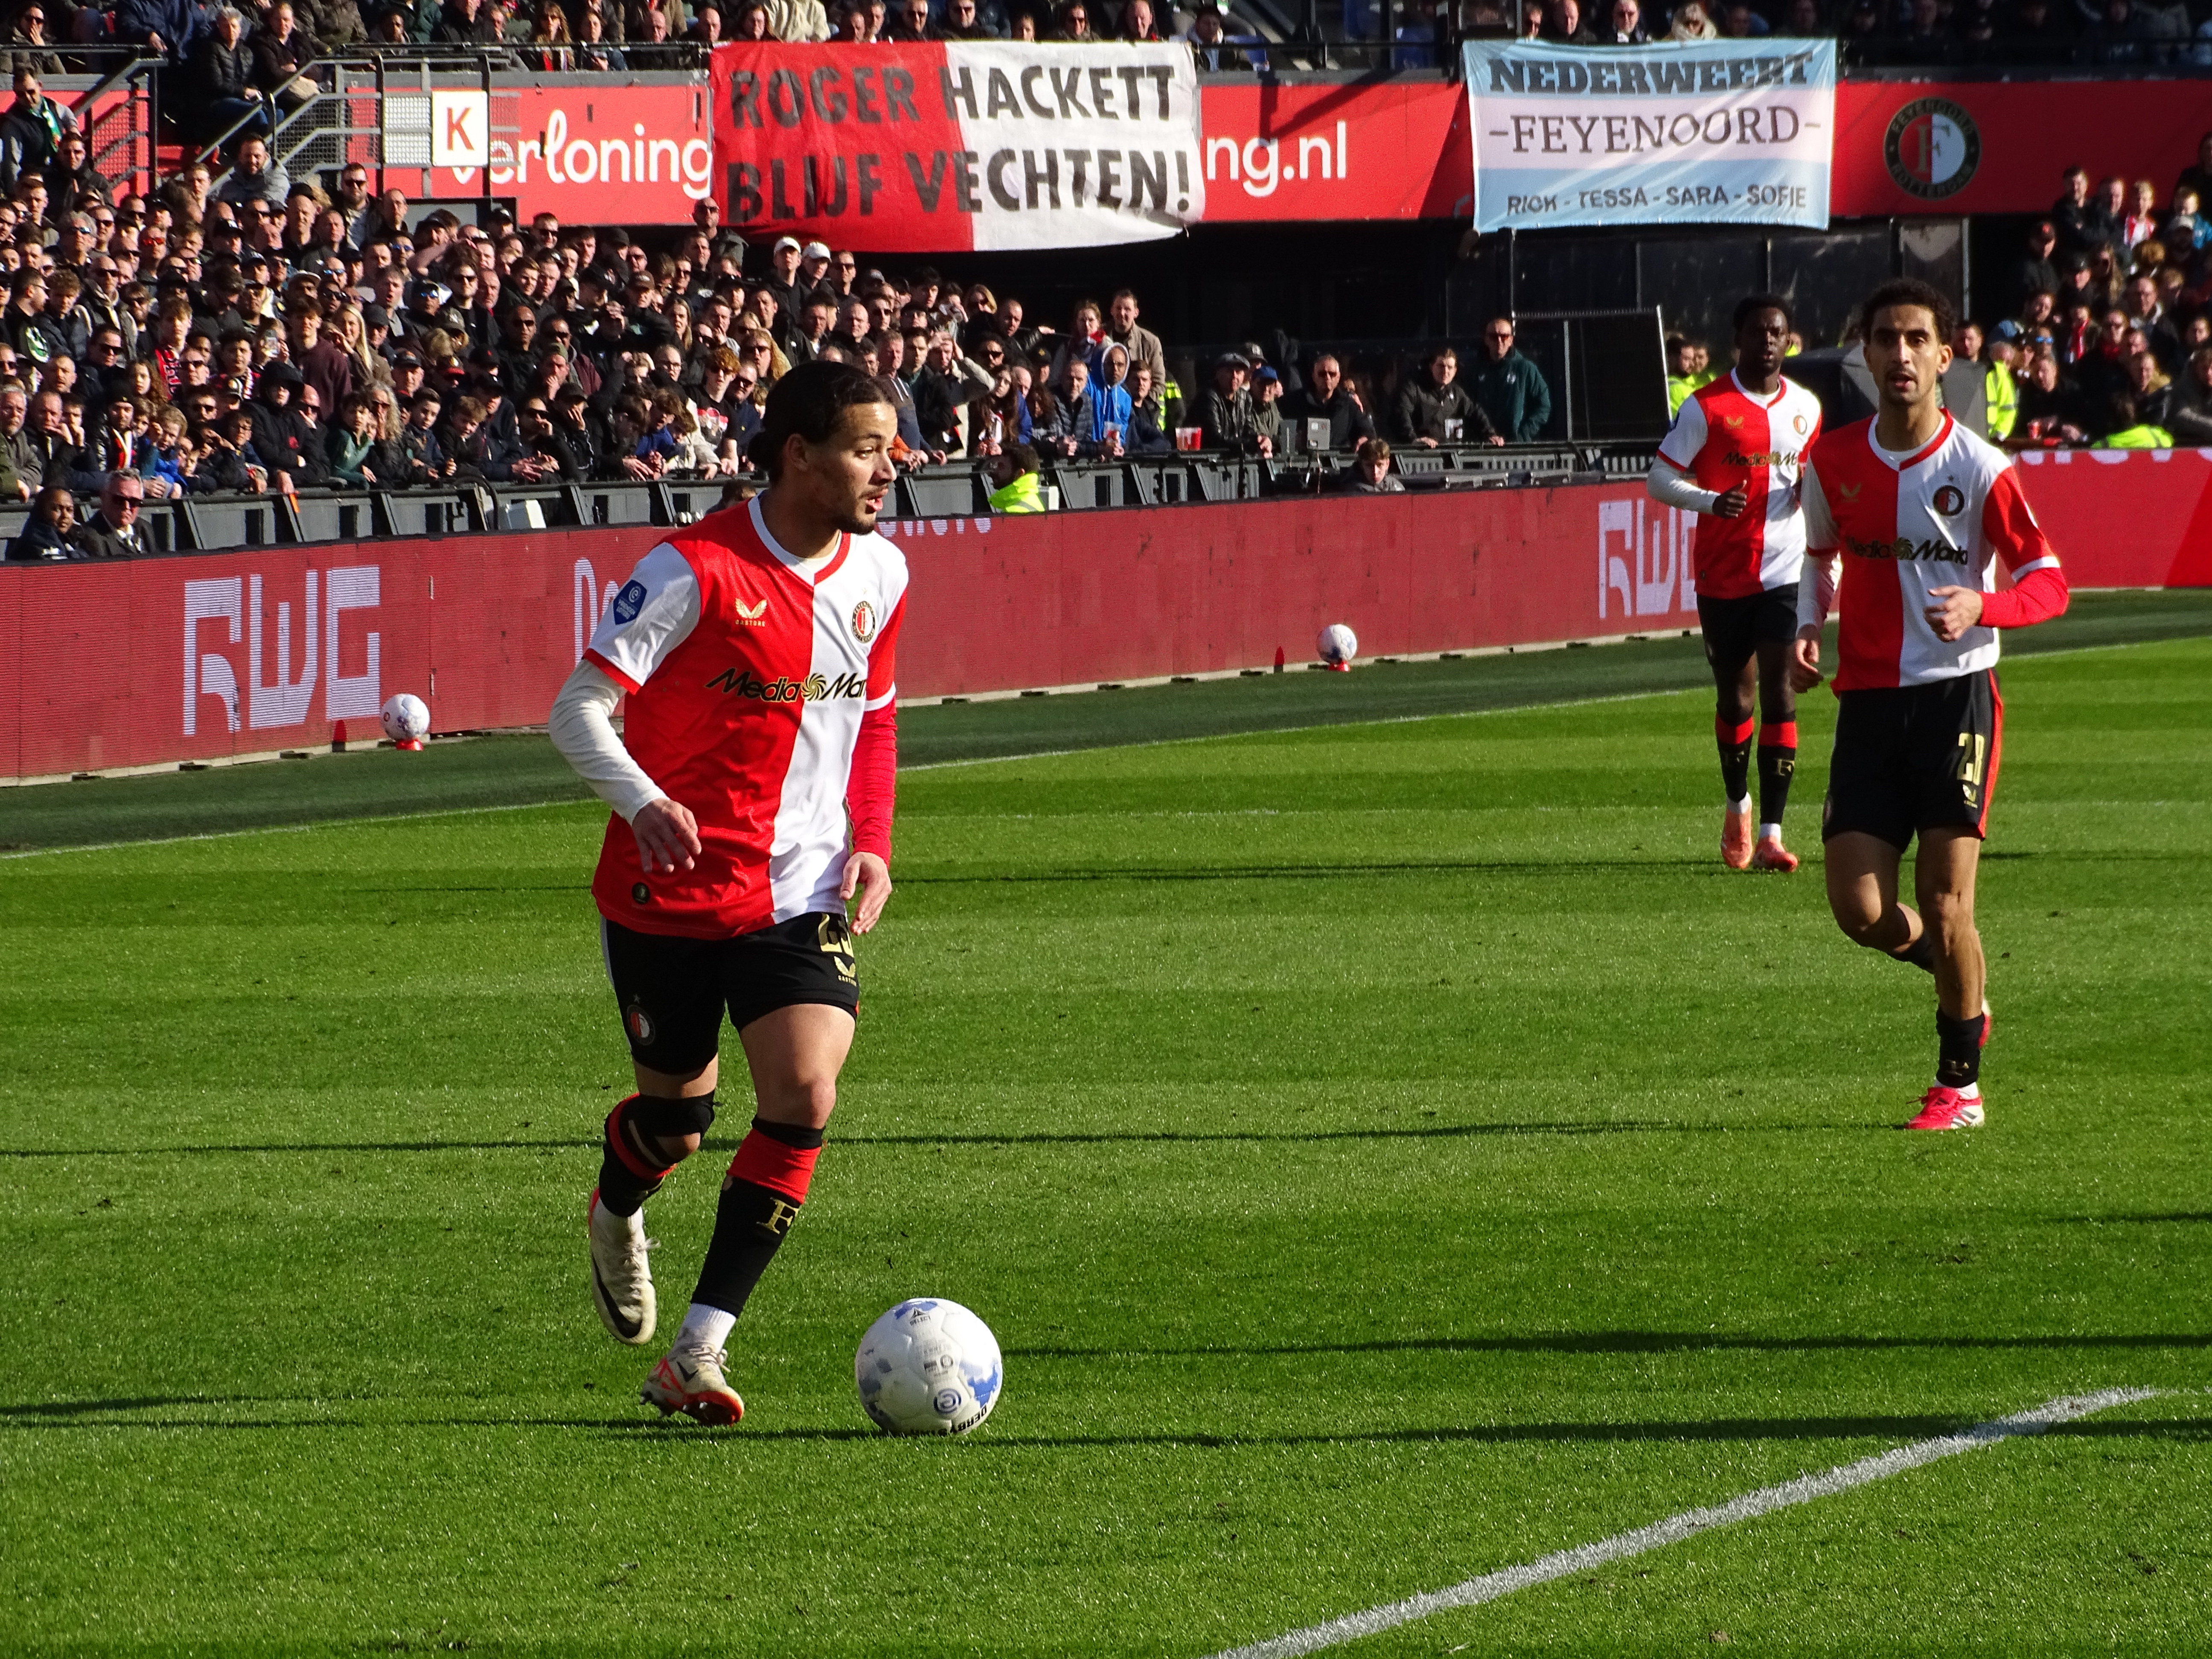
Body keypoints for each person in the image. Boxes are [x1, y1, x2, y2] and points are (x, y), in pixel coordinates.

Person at [549, 360, 907, 1426]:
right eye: (866, 449)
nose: (889, 468)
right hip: (668, 893)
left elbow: (876, 717)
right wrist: (647, 803)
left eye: (889, 446)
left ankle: (697, 1350)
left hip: (798, 889)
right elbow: (577, 712)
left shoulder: (882, 573)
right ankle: (618, 1206)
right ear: (799, 455)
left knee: (803, 1095)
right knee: (681, 1121)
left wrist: (874, 842)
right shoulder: (691, 569)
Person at [1791, 278, 2071, 1132]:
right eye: (1886, 339)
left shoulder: (1981, 469)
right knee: (1861, 911)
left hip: (1957, 702)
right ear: (1866, 354)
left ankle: (1960, 1083)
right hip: (1869, 705)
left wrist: (1982, 605)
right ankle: (1964, 986)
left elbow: (2050, 584)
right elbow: (1818, 555)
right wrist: (1809, 627)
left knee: (1950, 904)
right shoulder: (1832, 462)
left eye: (1918, 340)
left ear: (1947, 358)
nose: (1901, 354)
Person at [1646, 294, 1825, 872]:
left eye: (1777, 332)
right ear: (1738, 341)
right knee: (1737, 696)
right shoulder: (1706, 407)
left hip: (1783, 569)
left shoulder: (1807, 408)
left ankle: (1772, 834)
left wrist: (1811, 500)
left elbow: (1817, 482)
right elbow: (1659, 479)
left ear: (1788, 340)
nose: (1768, 342)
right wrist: (1708, 501)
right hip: (1723, 574)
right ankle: (1738, 804)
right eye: (1757, 333)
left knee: (1780, 692)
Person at [1466, 316, 1552, 444]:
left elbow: (1543, 406)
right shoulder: (1474, 371)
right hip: (1483, 446)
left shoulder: (1526, 369)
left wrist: (1522, 436)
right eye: (1494, 337)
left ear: (1511, 340)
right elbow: (1466, 407)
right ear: (1486, 340)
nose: (1499, 341)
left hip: (1516, 449)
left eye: (1504, 337)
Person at [1392, 345, 1494, 448]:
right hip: (1423, 457)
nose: (1445, 371)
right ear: (1431, 366)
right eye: (1441, 366)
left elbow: (1475, 412)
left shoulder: (1457, 393)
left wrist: (1490, 435)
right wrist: (1413, 439)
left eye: (1450, 367)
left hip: (1451, 456)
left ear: (1455, 371)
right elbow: (1402, 412)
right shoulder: (1415, 389)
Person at [1282, 354, 1376, 451]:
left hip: (1338, 463)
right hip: (1304, 462)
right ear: (1314, 376)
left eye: (1332, 374)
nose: (1327, 378)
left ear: (1338, 378)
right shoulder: (1295, 401)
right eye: (1322, 374)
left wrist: (1364, 439)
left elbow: (1368, 430)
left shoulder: (1348, 405)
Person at [68, 470, 150, 558]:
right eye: (119, 500)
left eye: (134, 502)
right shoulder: (89, 537)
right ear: (103, 497)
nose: (126, 507)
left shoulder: (145, 529)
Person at [987, 441, 1044, 512]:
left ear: (1020, 473)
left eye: (1002, 467)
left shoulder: (1015, 511)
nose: (995, 471)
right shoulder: (1031, 501)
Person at [1338, 437, 1405, 493]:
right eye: (1369, 466)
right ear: (1361, 465)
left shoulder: (1395, 486)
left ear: (1387, 464)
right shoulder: (1352, 490)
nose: (1375, 472)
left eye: (1380, 465)